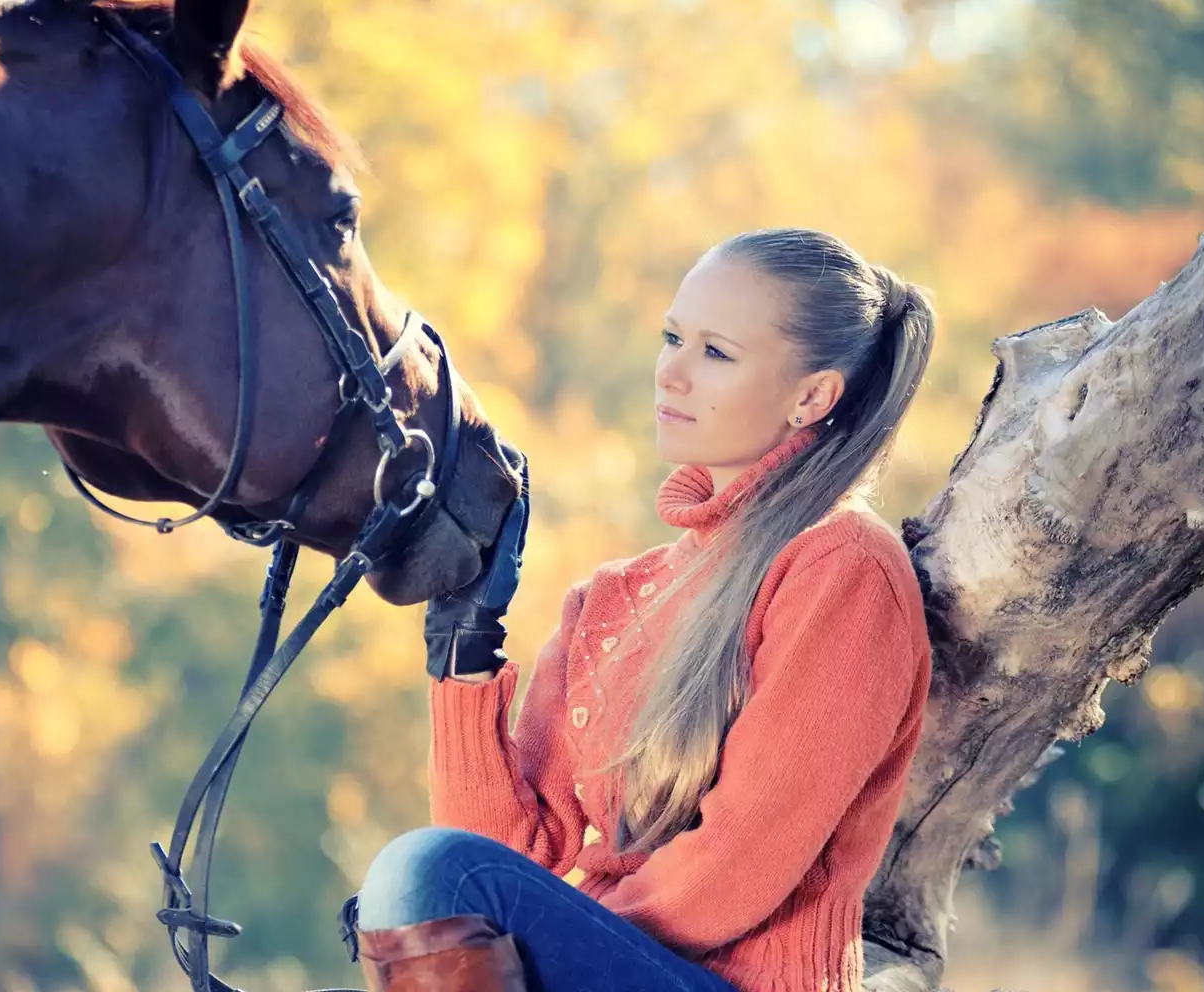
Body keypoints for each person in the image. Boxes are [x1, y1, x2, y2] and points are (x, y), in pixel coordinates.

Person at [350, 228, 939, 992]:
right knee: (423, 880)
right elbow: (508, 857)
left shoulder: (843, 567)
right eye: (671, 338)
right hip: (622, 966)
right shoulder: (613, 598)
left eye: (715, 352)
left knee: (424, 871)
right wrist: (463, 644)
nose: (672, 373)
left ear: (812, 396)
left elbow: (735, 868)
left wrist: (542, 939)